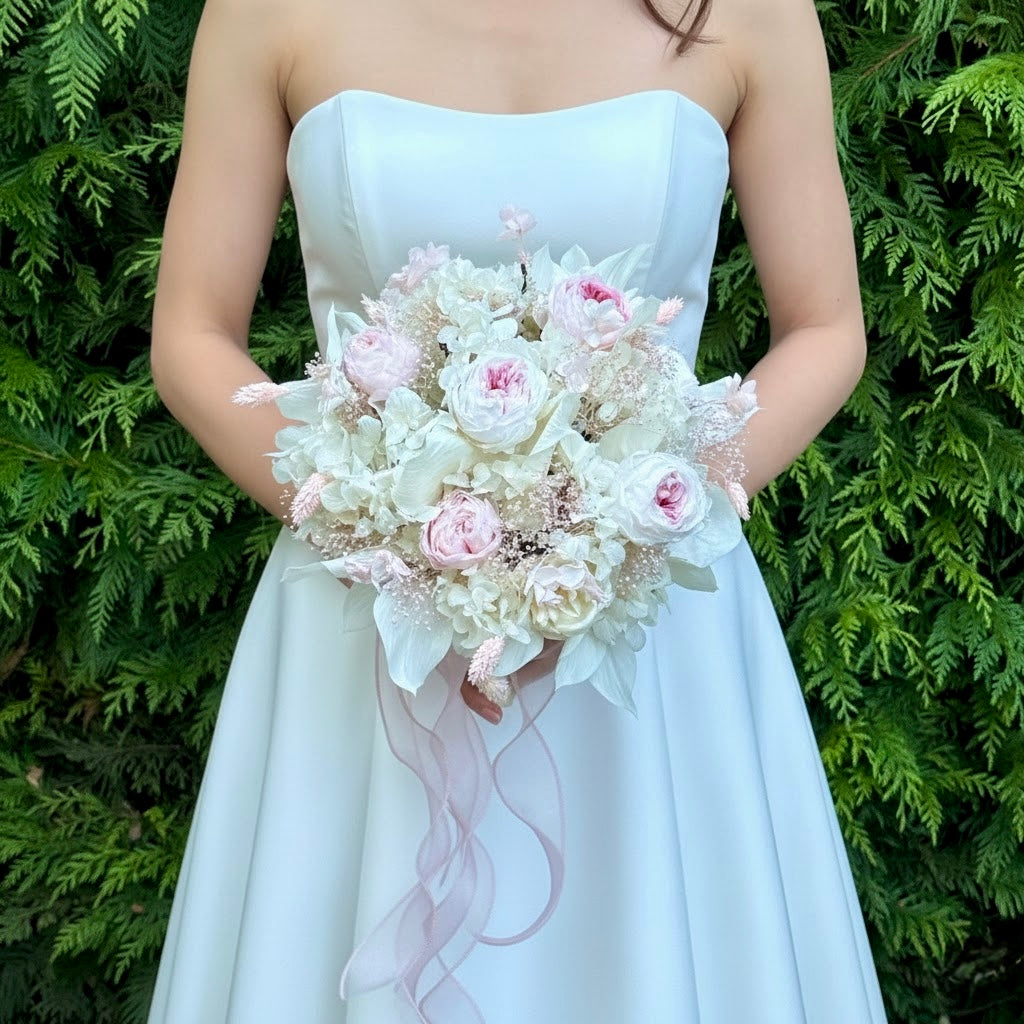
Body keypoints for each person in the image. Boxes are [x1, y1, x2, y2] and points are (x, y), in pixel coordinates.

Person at [146, 0, 889, 1021]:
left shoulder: (754, 11)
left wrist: (630, 528)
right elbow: (191, 335)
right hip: (366, 613)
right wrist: (388, 536)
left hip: (646, 627)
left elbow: (826, 327)